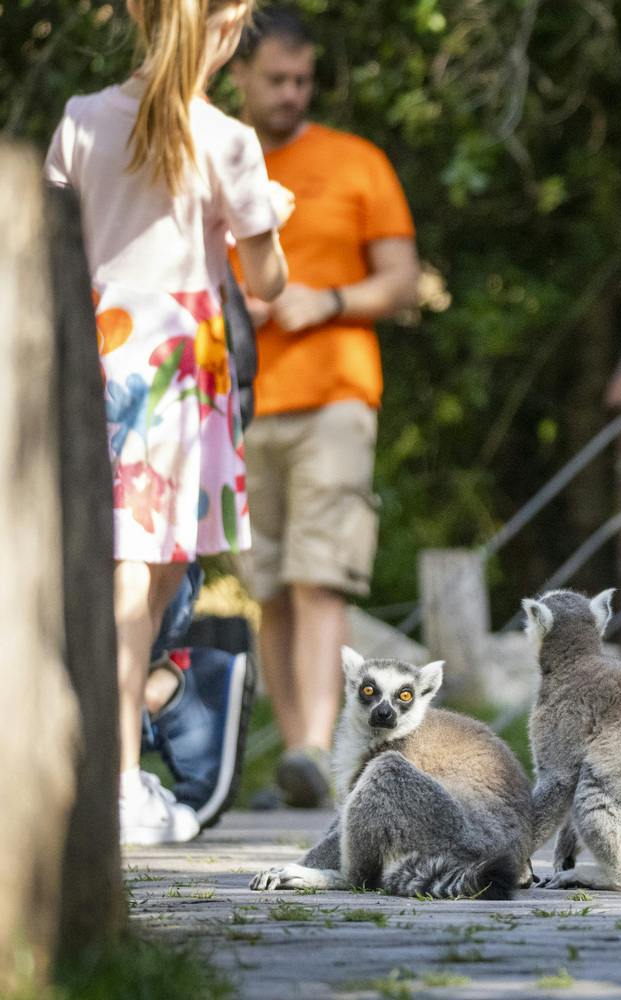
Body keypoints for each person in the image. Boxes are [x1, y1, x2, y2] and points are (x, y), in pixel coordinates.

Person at [46, 0, 289, 844]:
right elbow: (268, 280)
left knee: (141, 580)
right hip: (179, 365)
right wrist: (266, 214)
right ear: (229, 25)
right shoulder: (227, 140)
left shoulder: (83, 120)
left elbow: (53, 240)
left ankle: (113, 772)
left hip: (100, 348)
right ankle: (117, 782)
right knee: (138, 583)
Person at [229, 7, 419, 807]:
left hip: (335, 397)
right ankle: (301, 757)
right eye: (276, 79)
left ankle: (316, 750)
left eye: (302, 80)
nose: (291, 93)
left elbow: (402, 281)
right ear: (239, 74)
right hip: (239, 401)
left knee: (319, 579)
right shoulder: (217, 159)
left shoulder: (356, 162)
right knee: (269, 585)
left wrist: (328, 300)